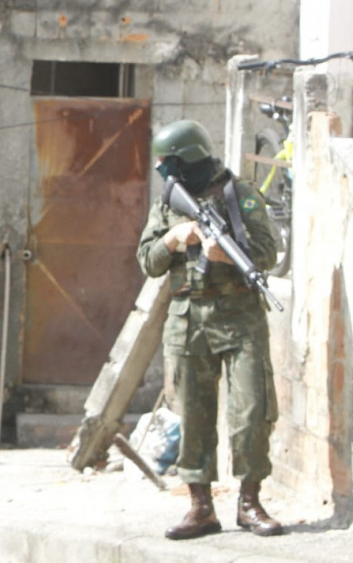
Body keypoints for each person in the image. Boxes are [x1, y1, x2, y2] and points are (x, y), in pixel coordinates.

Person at [135, 119, 283, 540]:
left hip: (240, 317)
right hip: (189, 319)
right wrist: (175, 238)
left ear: (190, 159)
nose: (164, 171)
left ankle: (250, 502)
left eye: (169, 164)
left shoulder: (240, 194)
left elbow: (268, 252)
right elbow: (147, 260)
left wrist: (223, 256)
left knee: (252, 411)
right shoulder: (169, 203)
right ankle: (200, 508)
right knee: (194, 417)